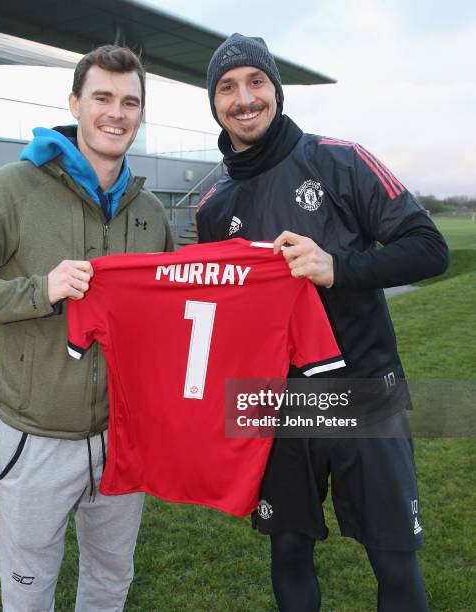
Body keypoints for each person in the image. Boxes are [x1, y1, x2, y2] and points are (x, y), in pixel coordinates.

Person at [197, 33, 449, 611]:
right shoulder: (212, 202)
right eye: (227, 87)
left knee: (393, 559)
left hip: (364, 389)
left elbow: (429, 247)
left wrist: (339, 267)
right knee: (287, 553)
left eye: (256, 81)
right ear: (214, 103)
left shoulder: (340, 158)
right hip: (276, 402)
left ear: (276, 91)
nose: (244, 99)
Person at [0, 45, 173, 611]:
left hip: (122, 439)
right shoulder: (17, 186)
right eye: (102, 97)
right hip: (36, 438)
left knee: (110, 585)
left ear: (141, 113)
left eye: (130, 101)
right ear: (75, 103)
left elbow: (170, 316)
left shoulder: (150, 210)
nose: (117, 112)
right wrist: (40, 290)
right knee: (28, 594)